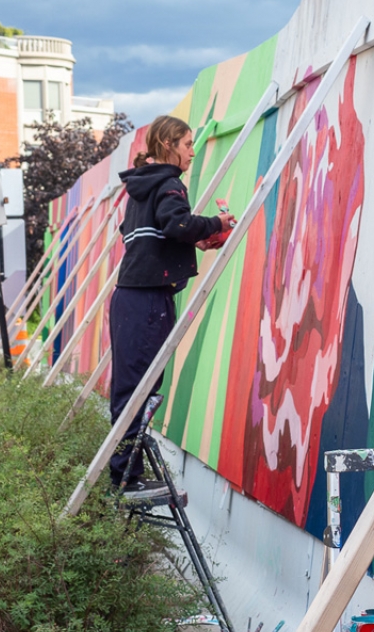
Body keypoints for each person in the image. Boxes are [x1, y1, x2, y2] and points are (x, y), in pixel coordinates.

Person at [108, 115, 235, 498]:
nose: (193, 152)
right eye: (188, 143)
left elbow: (146, 232)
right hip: (148, 297)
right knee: (141, 388)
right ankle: (127, 478)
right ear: (167, 145)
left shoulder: (140, 188)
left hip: (130, 296)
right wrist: (215, 223)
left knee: (131, 386)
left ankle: (124, 472)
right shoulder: (169, 184)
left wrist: (192, 242)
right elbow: (175, 225)